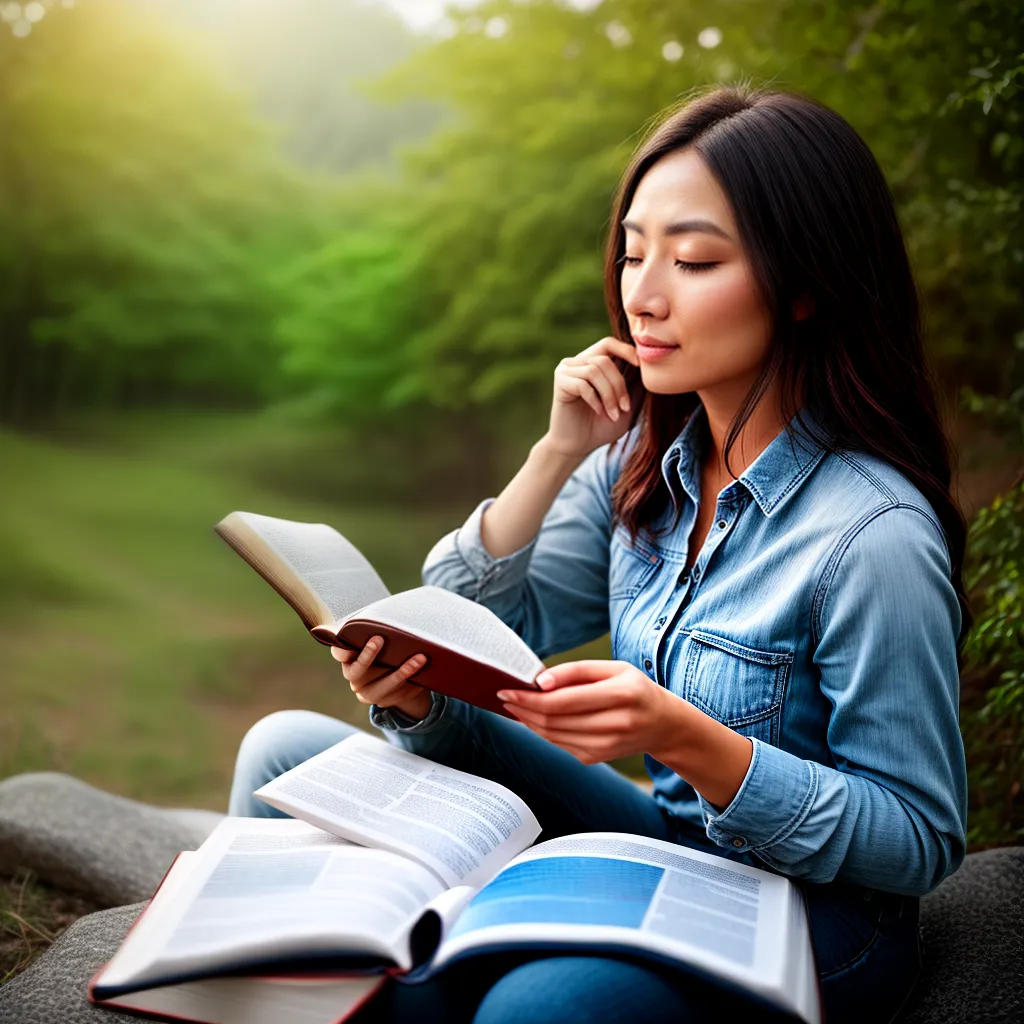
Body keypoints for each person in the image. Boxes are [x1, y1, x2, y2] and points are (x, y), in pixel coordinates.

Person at [228, 85, 969, 1024]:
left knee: (538, 1007)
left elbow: (919, 837)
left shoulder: (872, 536)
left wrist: (682, 736)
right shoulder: (638, 465)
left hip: (813, 916)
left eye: (694, 259)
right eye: (632, 251)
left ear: (805, 287)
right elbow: (481, 621)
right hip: (663, 843)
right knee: (281, 755)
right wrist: (556, 455)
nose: (643, 293)